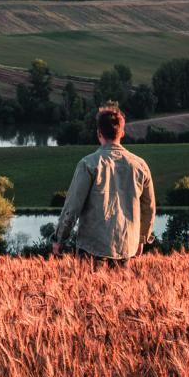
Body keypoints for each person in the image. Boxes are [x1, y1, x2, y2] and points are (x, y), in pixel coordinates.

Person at [52, 106, 155, 265]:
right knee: (121, 291)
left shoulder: (88, 164)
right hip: (126, 248)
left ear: (99, 133)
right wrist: (141, 239)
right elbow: (148, 208)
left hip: (92, 248)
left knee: (90, 290)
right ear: (122, 132)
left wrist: (59, 238)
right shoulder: (140, 166)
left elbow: (72, 207)